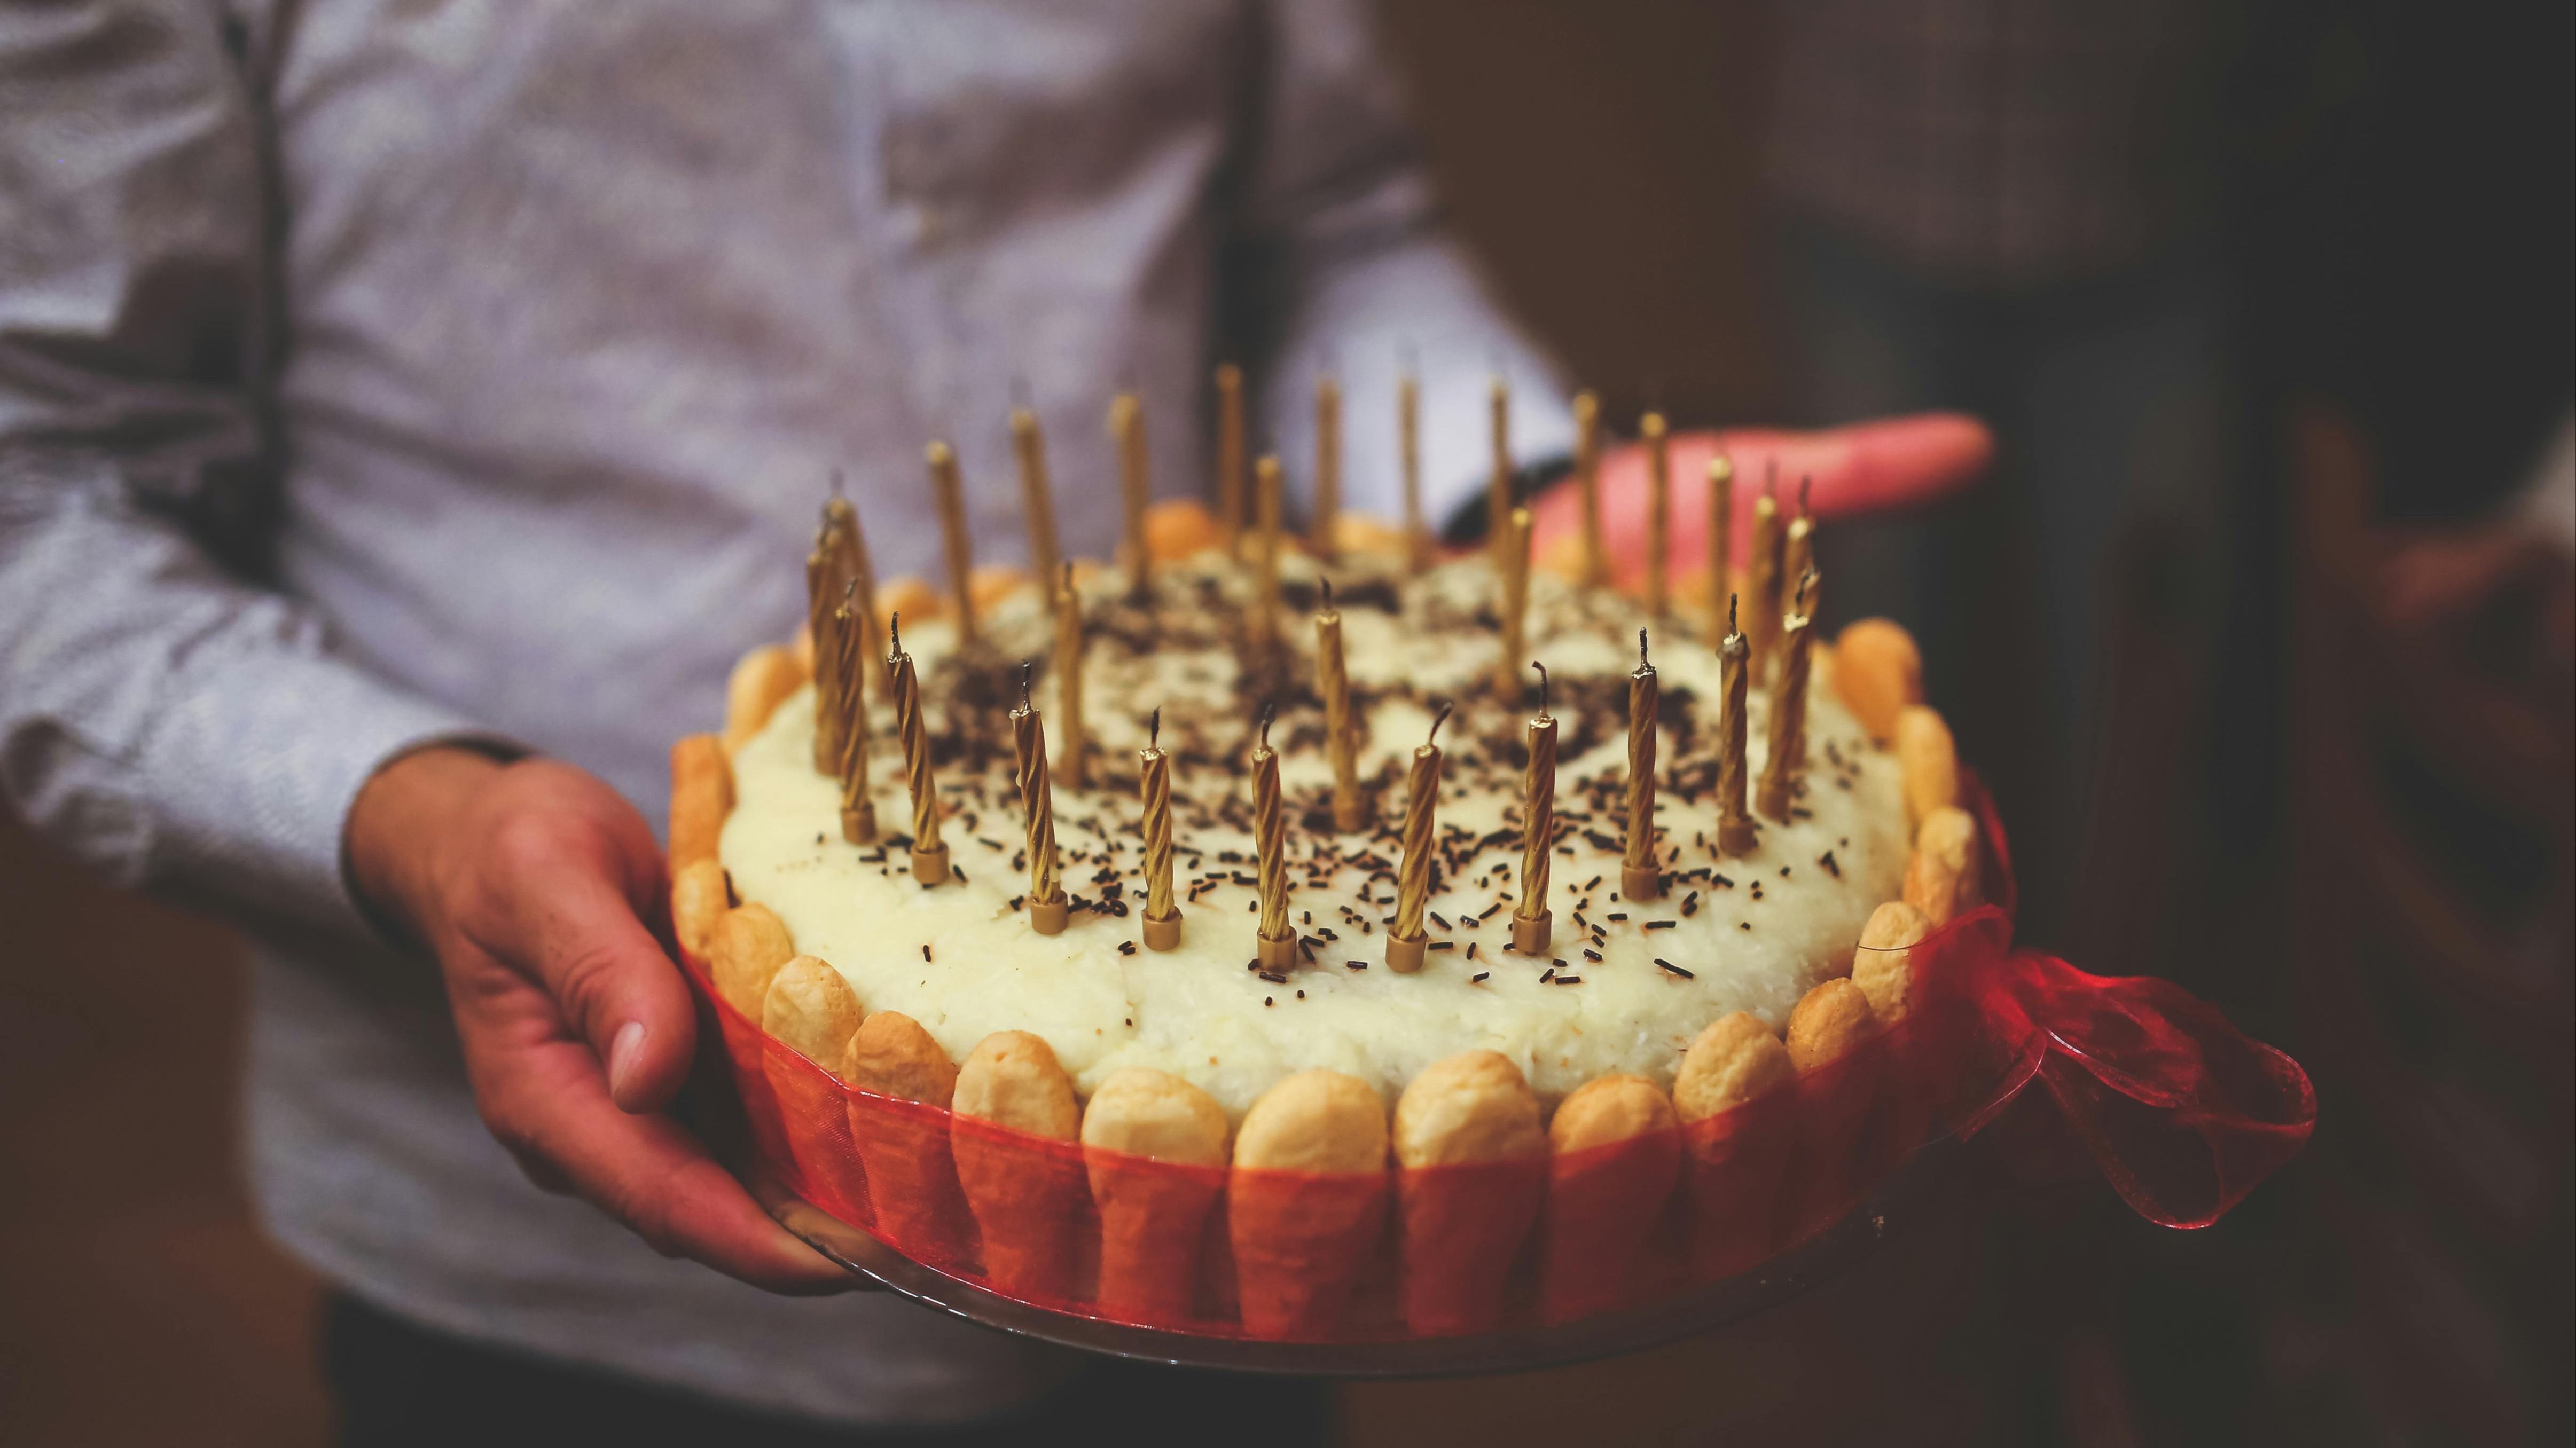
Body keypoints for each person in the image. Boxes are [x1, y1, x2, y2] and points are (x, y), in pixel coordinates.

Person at [0, 2, 1985, 1439]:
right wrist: (416, 817)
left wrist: (1507, 508)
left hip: (1267, 1201)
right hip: (550, 1296)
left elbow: (1333, 220)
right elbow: (38, 496)